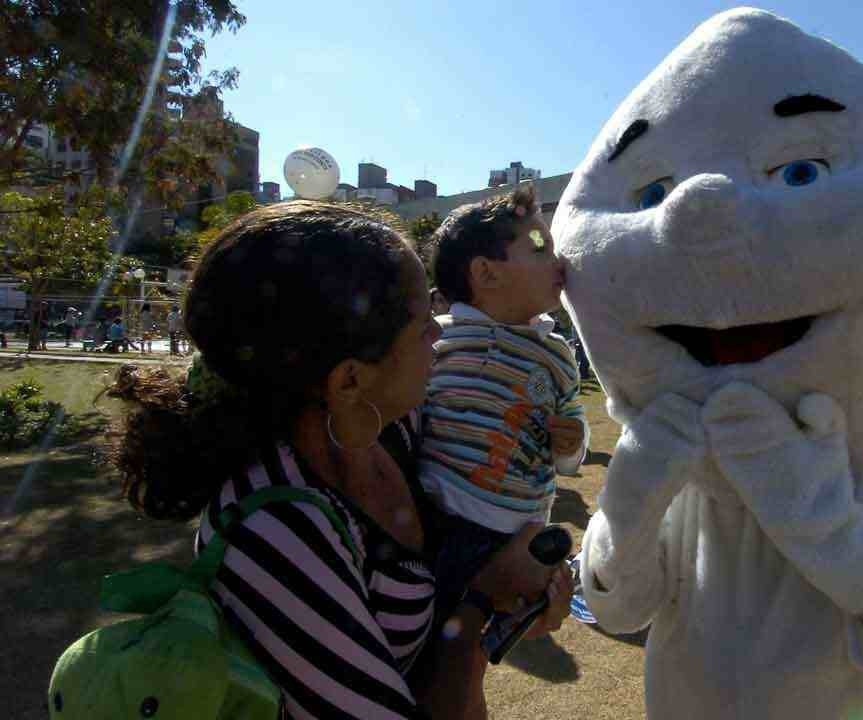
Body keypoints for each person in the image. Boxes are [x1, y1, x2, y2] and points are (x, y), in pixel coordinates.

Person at [111, 201, 571, 719]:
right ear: (349, 380)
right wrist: (483, 599)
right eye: (423, 326)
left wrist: (513, 599)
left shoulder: (399, 425)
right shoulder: (274, 529)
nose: (440, 336)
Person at [421, 185, 588, 696]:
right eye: (539, 247)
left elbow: (572, 454)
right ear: (485, 273)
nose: (557, 259)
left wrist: (572, 441)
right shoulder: (440, 338)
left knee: (478, 644)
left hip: (515, 522)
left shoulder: (557, 356)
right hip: (440, 517)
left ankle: (518, 615)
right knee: (445, 662)